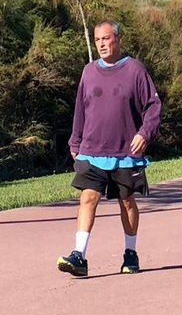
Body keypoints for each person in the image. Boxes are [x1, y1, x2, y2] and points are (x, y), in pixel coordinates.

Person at [58, 21, 163, 278]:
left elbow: (153, 108)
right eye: (97, 40)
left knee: (126, 201)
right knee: (88, 197)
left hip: (125, 153)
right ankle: (79, 255)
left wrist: (144, 133)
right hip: (93, 149)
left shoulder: (136, 70)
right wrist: (75, 141)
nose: (102, 44)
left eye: (106, 39)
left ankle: (130, 253)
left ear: (118, 40)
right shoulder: (89, 71)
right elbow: (80, 110)